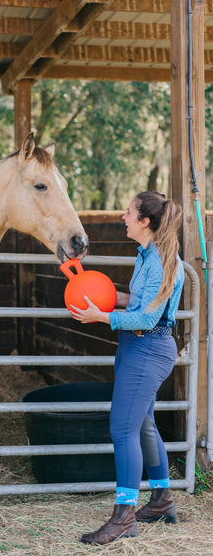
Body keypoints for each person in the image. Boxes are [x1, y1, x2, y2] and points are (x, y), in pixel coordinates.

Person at [70, 191, 184, 546]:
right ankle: (162, 500)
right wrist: (102, 295)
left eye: (129, 212)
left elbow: (148, 316)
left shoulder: (162, 262)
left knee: (122, 429)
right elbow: (139, 303)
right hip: (137, 345)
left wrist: (100, 316)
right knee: (144, 424)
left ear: (145, 221)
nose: (123, 216)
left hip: (148, 347)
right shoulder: (147, 255)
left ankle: (124, 517)